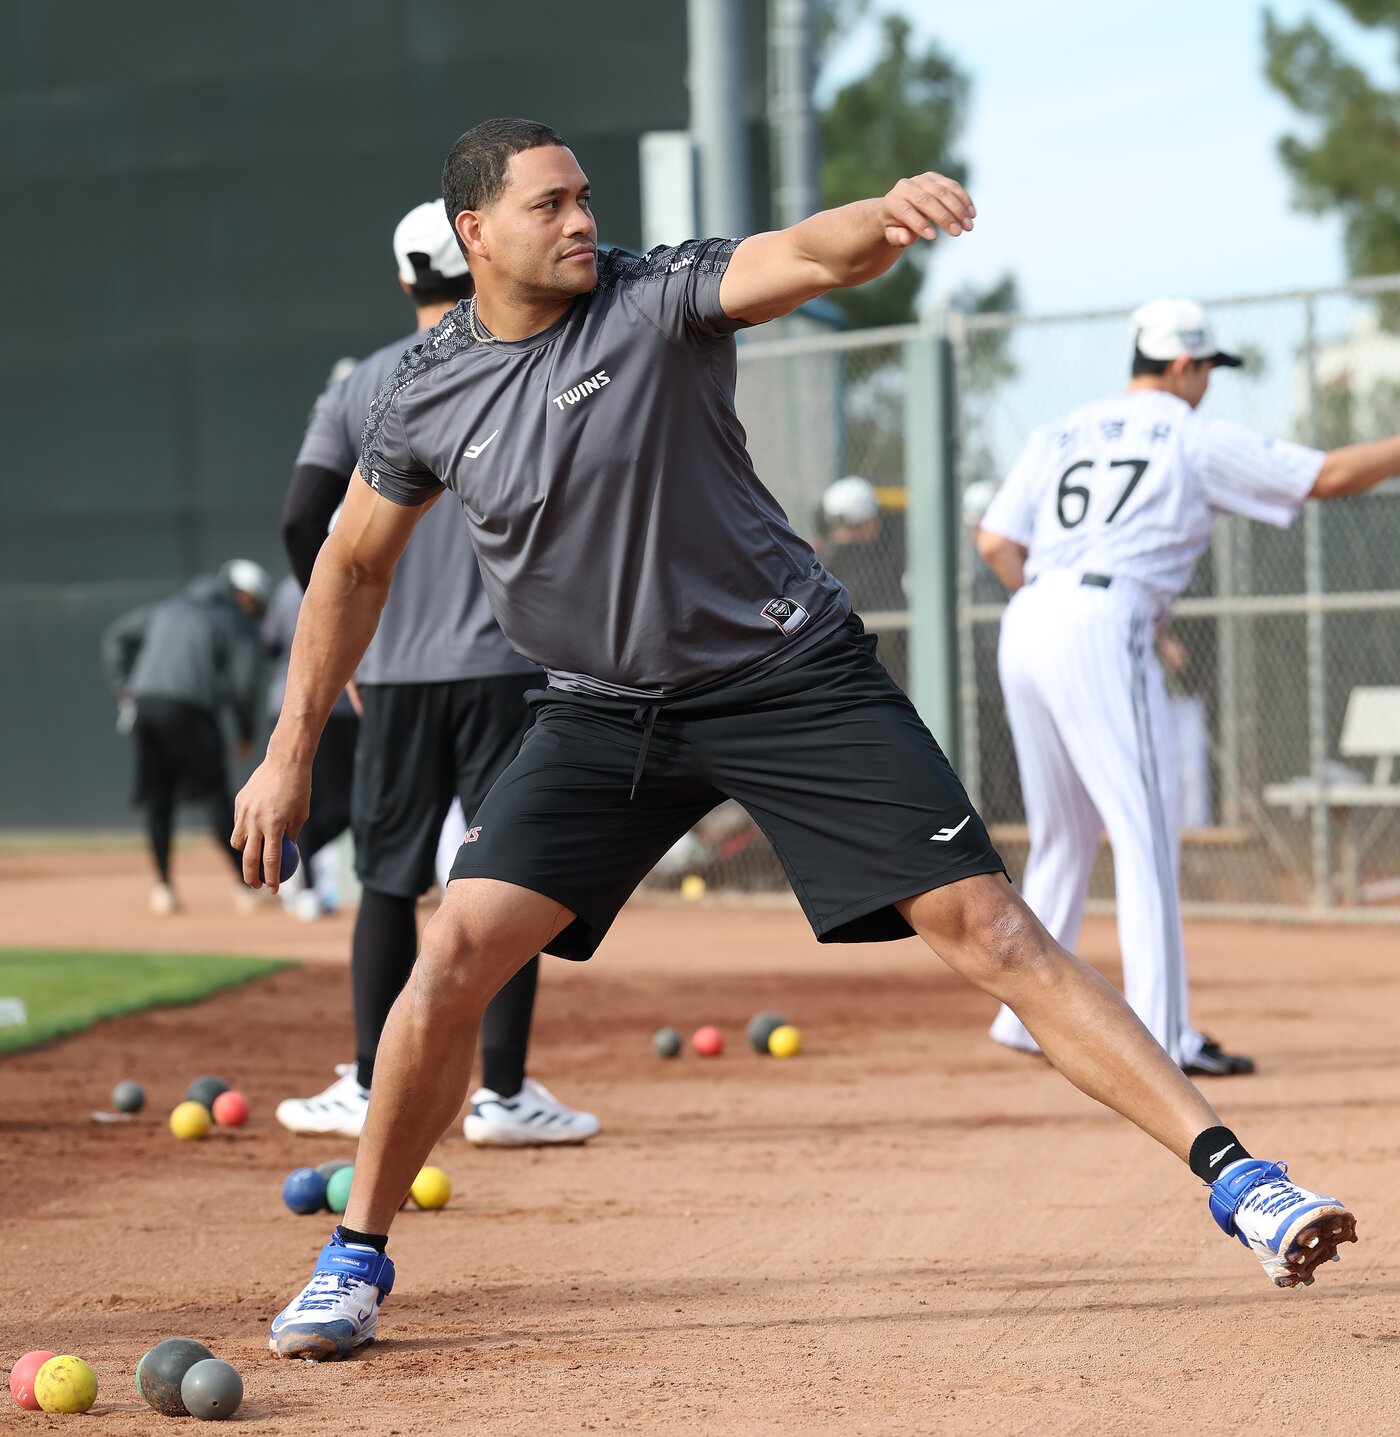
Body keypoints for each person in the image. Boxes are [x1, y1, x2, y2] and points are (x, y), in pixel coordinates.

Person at [234, 122, 1357, 1361]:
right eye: (549, 204)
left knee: (986, 927)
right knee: (452, 950)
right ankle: (355, 1255)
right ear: (474, 233)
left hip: (787, 677)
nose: (578, 221)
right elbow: (348, 561)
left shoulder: (651, 300)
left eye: (584, 198)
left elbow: (803, 259)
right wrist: (288, 753)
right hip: (598, 710)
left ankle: (1243, 1182)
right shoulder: (421, 390)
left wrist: (879, 218)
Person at [975, 296, 1400, 1074]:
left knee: (1063, 832)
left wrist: (1050, 604)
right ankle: (1164, 1037)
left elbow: (996, 540)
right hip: (1103, 621)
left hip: (1030, 612)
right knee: (1143, 835)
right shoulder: (1190, 435)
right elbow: (1329, 476)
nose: (1207, 384)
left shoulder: (1059, 429)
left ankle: (1023, 1019)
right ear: (1184, 365)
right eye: (1207, 369)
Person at [273, 200, 597, 1149]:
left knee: (385, 873)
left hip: (399, 667)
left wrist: (349, 637)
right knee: (511, 872)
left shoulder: (362, 382)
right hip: (513, 661)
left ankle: (373, 1080)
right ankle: (502, 1092)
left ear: (407, 277)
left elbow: (303, 518)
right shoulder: (537, 356)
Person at [103, 559, 270, 914]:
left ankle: (163, 888)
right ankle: (247, 887)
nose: (254, 611)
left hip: (146, 707)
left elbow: (117, 636)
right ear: (243, 594)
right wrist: (245, 730)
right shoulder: (232, 619)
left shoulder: (170, 605)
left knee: (158, 799)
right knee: (215, 796)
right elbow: (244, 682)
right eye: (255, 602)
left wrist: (126, 686)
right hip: (190, 711)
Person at [262, 572, 358, 920]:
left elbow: (269, 643)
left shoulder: (288, 585)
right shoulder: (357, 568)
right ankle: (300, 880)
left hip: (306, 706)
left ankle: (299, 874)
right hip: (331, 707)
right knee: (331, 804)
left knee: (338, 805)